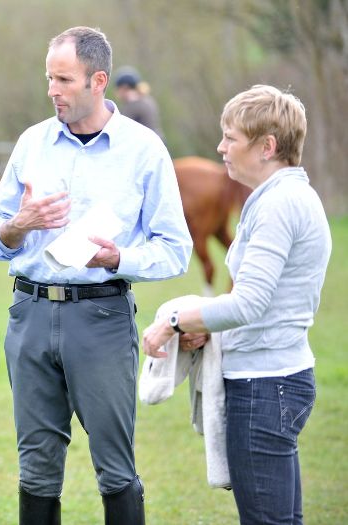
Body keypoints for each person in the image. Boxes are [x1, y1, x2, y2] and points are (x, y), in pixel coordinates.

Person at [0, 27, 192, 524]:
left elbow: (176, 250)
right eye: (49, 78)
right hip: (29, 315)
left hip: (101, 318)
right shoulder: (31, 143)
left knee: (115, 471)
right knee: (35, 471)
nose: (52, 90)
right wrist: (19, 224)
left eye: (64, 80)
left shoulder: (144, 151)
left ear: (98, 80)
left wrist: (117, 259)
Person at [142, 85, 332, 525]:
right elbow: (261, 301)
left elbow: (248, 302)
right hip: (275, 379)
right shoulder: (278, 198)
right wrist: (208, 327)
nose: (220, 148)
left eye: (231, 138)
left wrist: (172, 320)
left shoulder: (279, 205)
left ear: (267, 147)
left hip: (265, 386)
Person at [114, 66, 165, 143]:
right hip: (157, 144)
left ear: (125, 87)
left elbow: (119, 129)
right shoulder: (147, 99)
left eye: (118, 88)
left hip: (146, 148)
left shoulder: (133, 105)